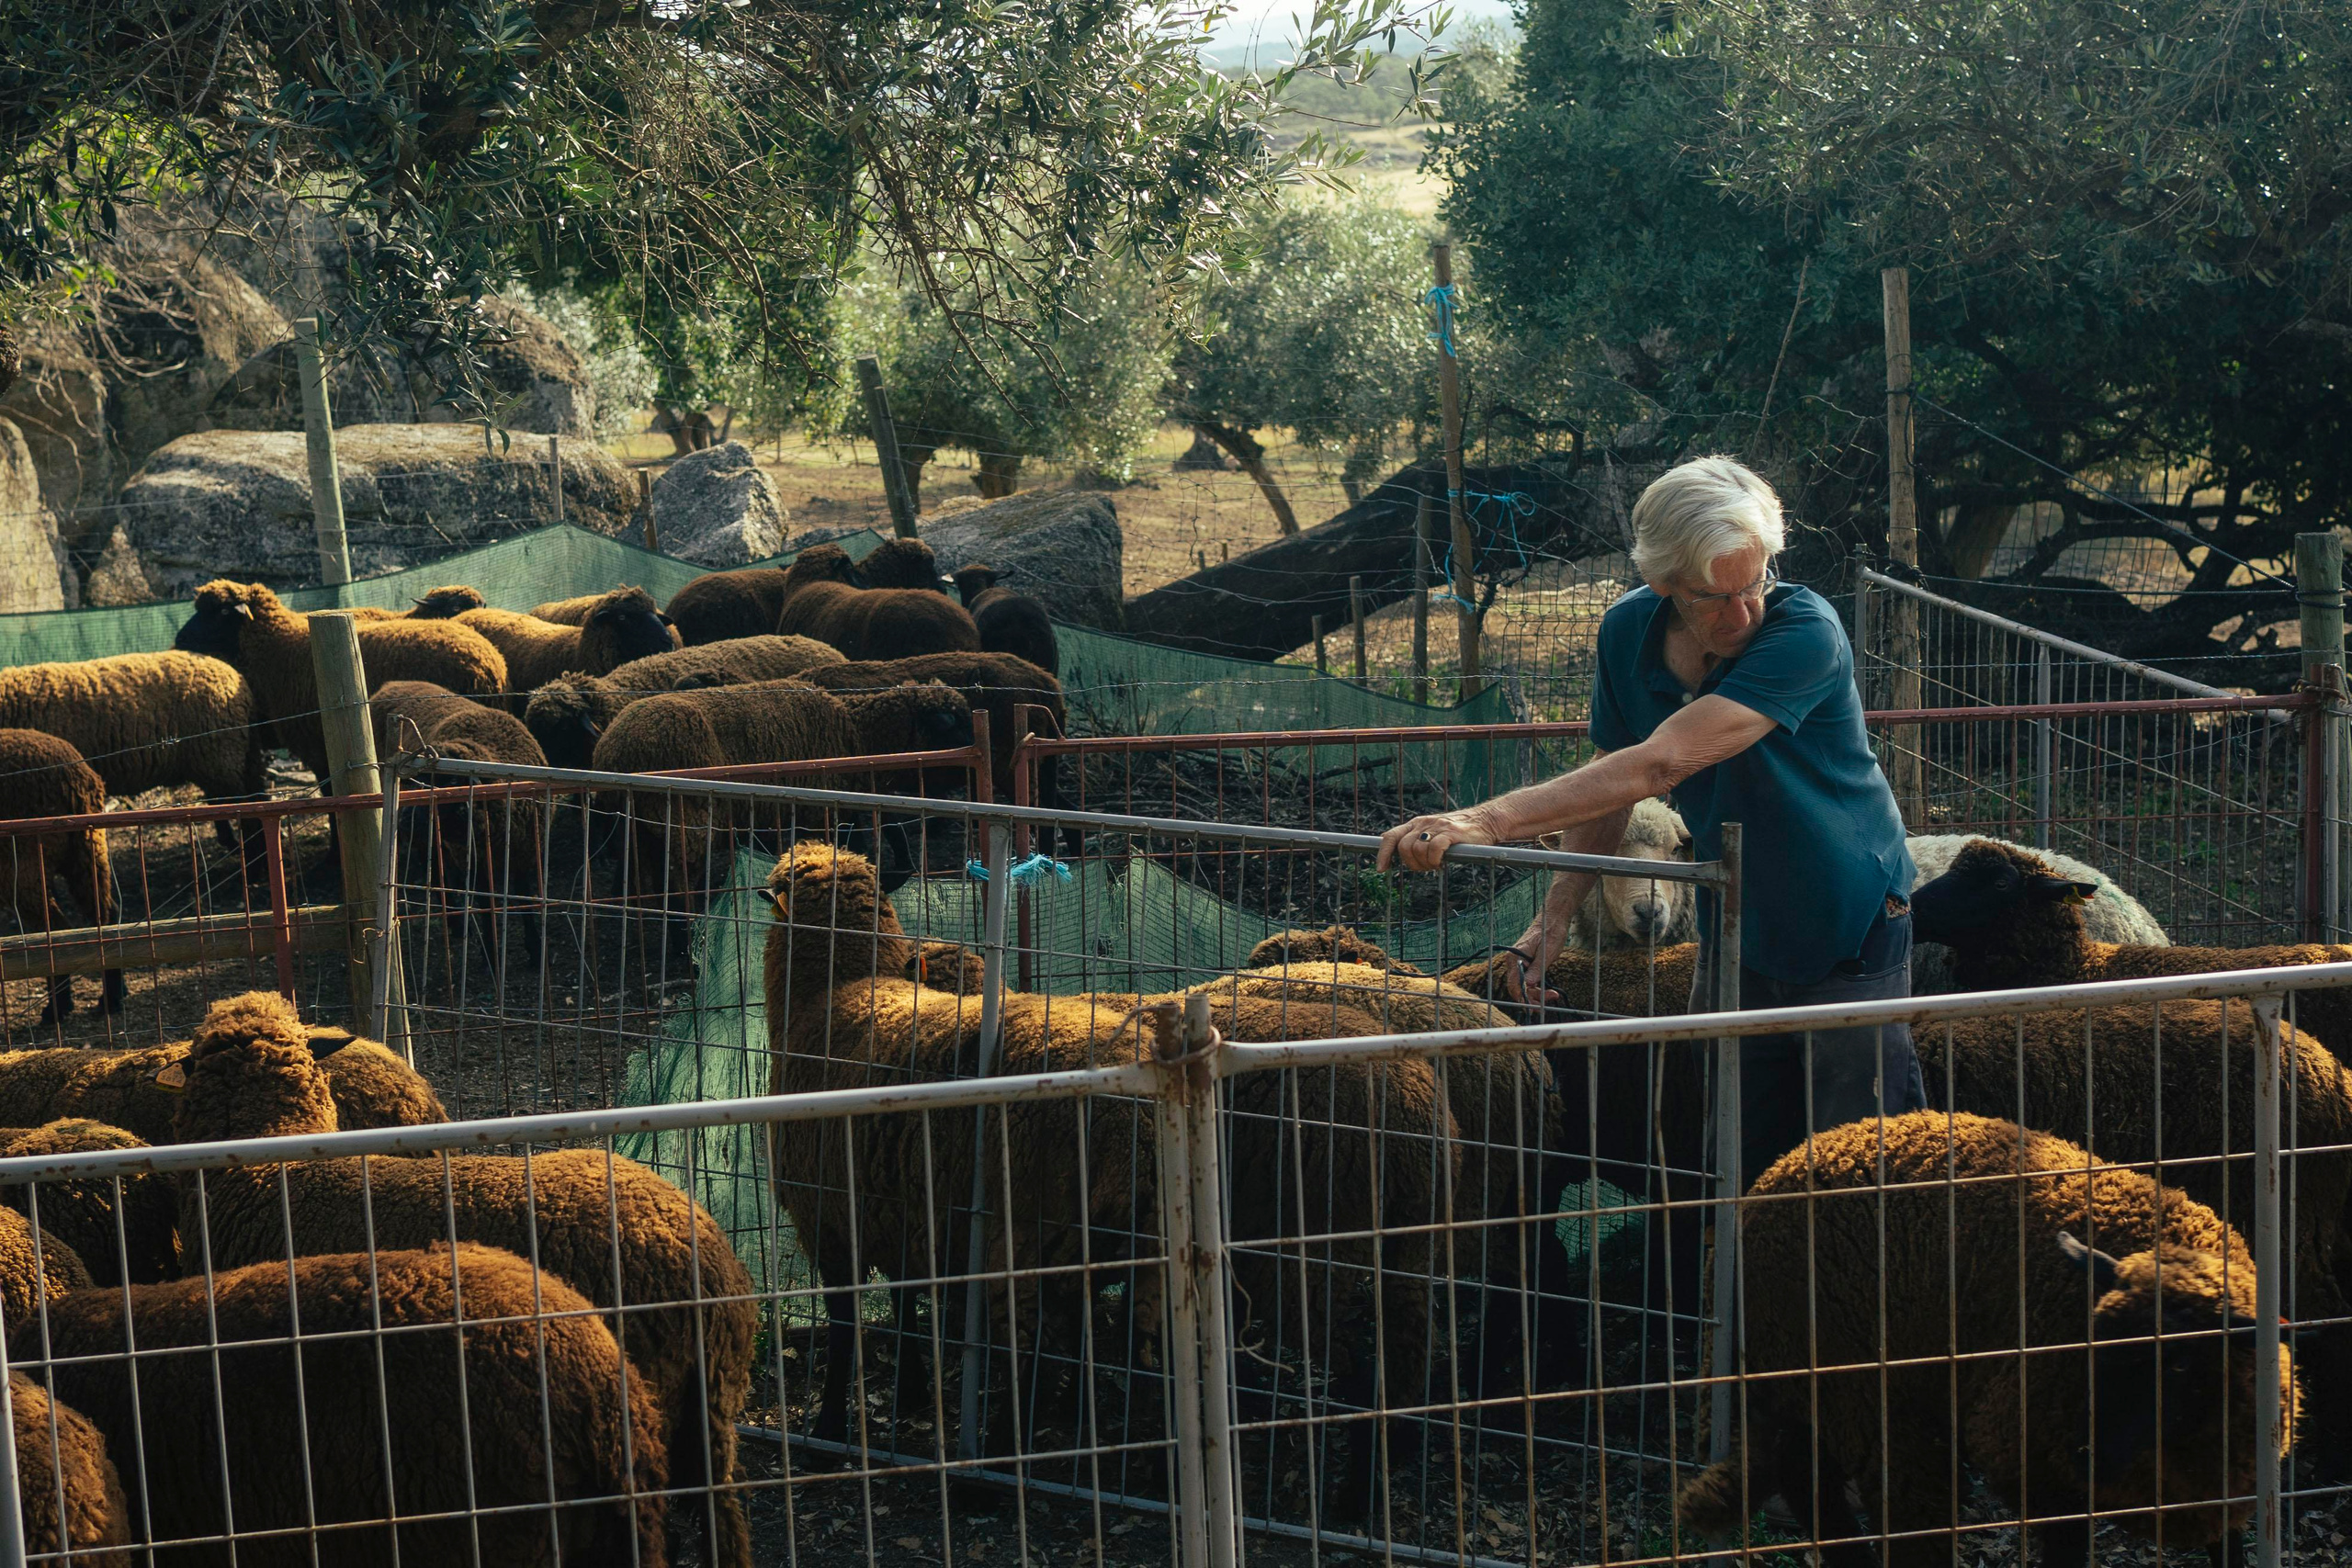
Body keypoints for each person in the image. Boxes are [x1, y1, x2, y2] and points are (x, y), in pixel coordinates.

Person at [1377, 455, 1923, 1184]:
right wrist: (1553, 919)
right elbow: (1613, 789)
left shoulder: (1805, 633)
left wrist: (1485, 818)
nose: (1742, 614)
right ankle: (1741, 1294)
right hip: (1734, 921)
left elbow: (1658, 764)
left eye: (1755, 581)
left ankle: (1870, 1294)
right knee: (1738, 1145)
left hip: (1847, 915)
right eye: (1712, 595)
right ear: (1663, 582)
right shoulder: (1627, 633)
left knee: (1862, 1153)